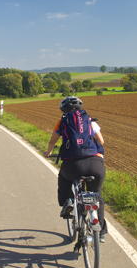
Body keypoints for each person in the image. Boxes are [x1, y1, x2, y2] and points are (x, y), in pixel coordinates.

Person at [44, 96, 107, 241]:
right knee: (96, 195)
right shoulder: (89, 120)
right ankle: (101, 232)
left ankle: (69, 202)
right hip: (95, 164)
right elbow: (101, 141)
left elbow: (53, 139)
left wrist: (49, 152)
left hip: (73, 164)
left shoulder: (63, 120)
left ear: (63, 109)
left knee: (64, 178)